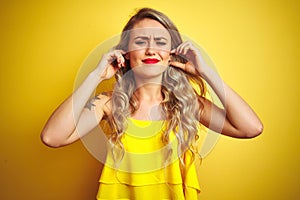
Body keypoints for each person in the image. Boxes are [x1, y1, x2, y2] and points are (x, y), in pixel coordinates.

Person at [41, 7, 263, 200]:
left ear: (171, 54)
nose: (150, 50)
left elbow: (251, 128)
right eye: (140, 41)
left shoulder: (188, 104)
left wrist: (205, 72)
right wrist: (96, 76)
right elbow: (52, 137)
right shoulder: (109, 102)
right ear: (126, 53)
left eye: (160, 42)